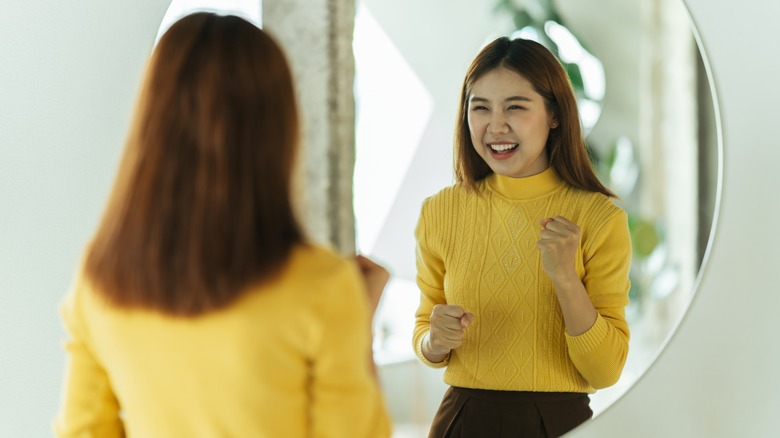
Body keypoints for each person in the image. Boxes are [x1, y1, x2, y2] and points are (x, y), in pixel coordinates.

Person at [54, 12, 391, 437]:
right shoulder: (323, 288)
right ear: (280, 129)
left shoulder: (102, 280)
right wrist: (356, 328)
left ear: (151, 122)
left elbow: (82, 431)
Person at [413, 36, 631, 437]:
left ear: (554, 114)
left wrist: (566, 278)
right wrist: (434, 341)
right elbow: (426, 331)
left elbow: (605, 371)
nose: (496, 126)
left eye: (515, 107)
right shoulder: (439, 212)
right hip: (462, 420)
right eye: (480, 107)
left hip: (558, 423)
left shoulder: (599, 219)